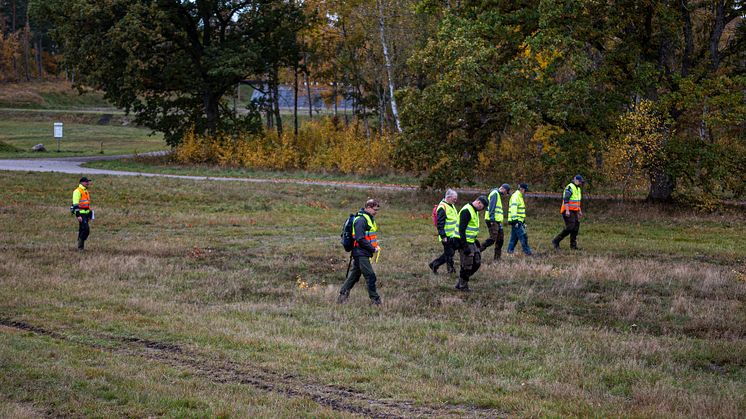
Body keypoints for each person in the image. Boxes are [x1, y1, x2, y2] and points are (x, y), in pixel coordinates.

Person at [338, 199, 382, 305]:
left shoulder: (369, 218)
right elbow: (360, 238)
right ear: (367, 207)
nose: (376, 211)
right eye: (374, 209)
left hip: (364, 252)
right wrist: (372, 248)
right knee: (370, 276)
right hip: (360, 252)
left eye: (377, 209)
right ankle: (376, 301)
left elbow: (367, 236)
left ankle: (342, 296)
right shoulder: (361, 220)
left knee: (354, 276)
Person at [453, 195, 489, 291]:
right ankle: (463, 286)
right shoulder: (467, 211)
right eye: (482, 207)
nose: (483, 209)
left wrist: (475, 240)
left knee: (476, 262)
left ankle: (461, 282)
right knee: (467, 265)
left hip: (471, 241)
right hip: (464, 242)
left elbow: (470, 229)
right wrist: (464, 246)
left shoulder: (474, 210)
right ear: (478, 202)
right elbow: (462, 230)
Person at [429, 189, 458, 274]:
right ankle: (435, 264)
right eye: (454, 198)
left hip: (452, 235)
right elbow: (440, 224)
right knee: (449, 253)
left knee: (449, 253)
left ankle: (450, 269)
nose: (456, 200)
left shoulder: (451, 205)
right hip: (446, 236)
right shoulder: (442, 207)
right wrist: (443, 236)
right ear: (448, 197)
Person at [552, 175, 585, 250]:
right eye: (579, 181)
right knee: (570, 227)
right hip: (567, 210)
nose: (580, 183)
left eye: (581, 182)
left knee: (576, 227)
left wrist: (579, 210)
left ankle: (573, 246)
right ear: (575, 180)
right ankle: (556, 241)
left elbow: (577, 201)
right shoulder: (570, 187)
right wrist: (567, 210)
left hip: (574, 211)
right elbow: (566, 199)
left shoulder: (578, 189)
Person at [480, 183, 510, 262]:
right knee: (493, 238)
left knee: (500, 239)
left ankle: (497, 258)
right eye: (506, 192)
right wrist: (492, 219)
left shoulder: (497, 195)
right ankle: (476, 251)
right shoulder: (495, 194)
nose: (505, 194)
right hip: (492, 220)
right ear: (503, 189)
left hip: (497, 221)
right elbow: (492, 207)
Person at [507, 183, 532, 256]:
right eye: (525, 190)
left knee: (514, 238)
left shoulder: (519, 196)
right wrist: (515, 221)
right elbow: (513, 209)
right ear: (522, 189)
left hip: (518, 221)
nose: (525, 192)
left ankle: (509, 251)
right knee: (523, 237)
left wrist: (523, 222)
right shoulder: (516, 196)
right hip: (516, 221)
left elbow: (520, 211)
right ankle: (528, 253)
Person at [71, 176, 93, 251]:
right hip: (81, 213)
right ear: (82, 183)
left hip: (86, 213)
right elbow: (75, 204)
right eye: (86, 182)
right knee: (86, 229)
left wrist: (90, 213)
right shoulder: (77, 191)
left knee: (82, 229)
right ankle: (80, 246)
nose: (88, 183)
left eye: (88, 182)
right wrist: (78, 215)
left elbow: (87, 203)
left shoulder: (85, 191)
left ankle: (81, 247)